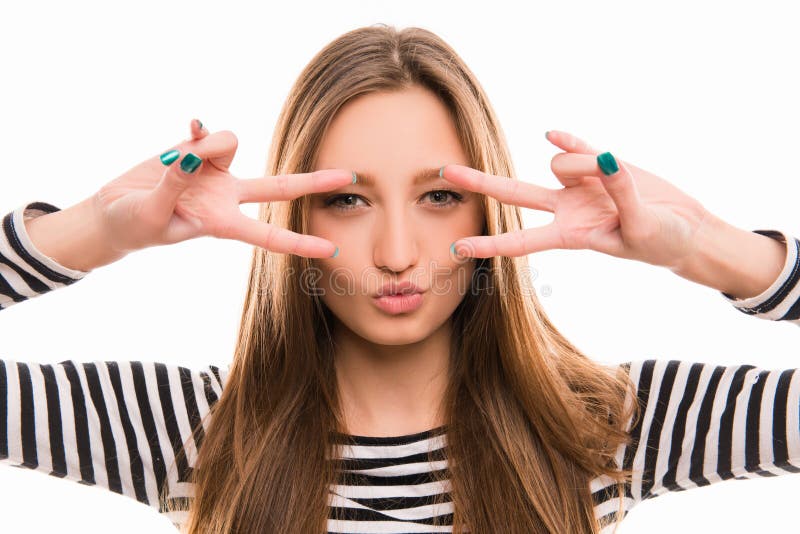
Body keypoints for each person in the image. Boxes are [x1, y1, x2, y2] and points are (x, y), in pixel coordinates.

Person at [1, 23, 798, 534]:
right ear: (298, 217)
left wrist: (713, 250)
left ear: (486, 210)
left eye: (439, 197)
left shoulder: (608, 425)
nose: (394, 251)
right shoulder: (185, 428)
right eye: (347, 199)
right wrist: (92, 232)